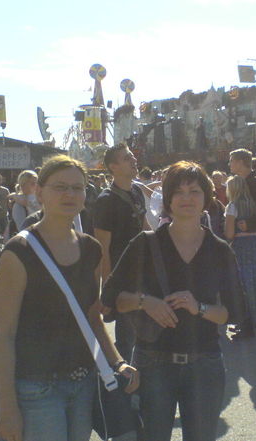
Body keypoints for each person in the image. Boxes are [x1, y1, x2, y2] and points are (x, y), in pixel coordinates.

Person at [0, 155, 139, 441]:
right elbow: (4, 336)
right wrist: (7, 407)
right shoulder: (18, 252)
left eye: (77, 187)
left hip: (83, 381)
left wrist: (118, 362)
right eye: (60, 187)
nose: (70, 194)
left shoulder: (91, 249)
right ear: (39, 192)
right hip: (36, 387)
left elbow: (92, 317)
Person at [100, 161, 246, 441]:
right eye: (178, 192)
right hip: (153, 363)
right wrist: (145, 301)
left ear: (206, 197)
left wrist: (200, 308)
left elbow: (234, 313)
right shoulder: (145, 244)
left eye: (194, 191)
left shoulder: (219, 250)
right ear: (167, 200)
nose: (187, 198)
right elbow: (110, 298)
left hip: (204, 364)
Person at [93, 144, 149, 363]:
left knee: (145, 331)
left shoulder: (137, 191)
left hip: (143, 273)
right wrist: (108, 289)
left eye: (132, 156)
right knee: (127, 336)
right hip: (122, 280)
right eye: (127, 158)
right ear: (113, 167)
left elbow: (145, 229)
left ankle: (141, 375)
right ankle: (125, 382)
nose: (134, 160)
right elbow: (102, 250)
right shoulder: (105, 201)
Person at [225, 175, 256, 338]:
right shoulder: (255, 205)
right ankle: (254, 320)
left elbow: (230, 233)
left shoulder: (232, 206)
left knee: (242, 286)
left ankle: (246, 324)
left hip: (241, 247)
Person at [9, 170, 40, 234]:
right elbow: (22, 229)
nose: (36, 186)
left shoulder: (39, 196)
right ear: (23, 185)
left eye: (37, 183)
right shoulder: (18, 203)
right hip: (32, 236)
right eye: (33, 183)